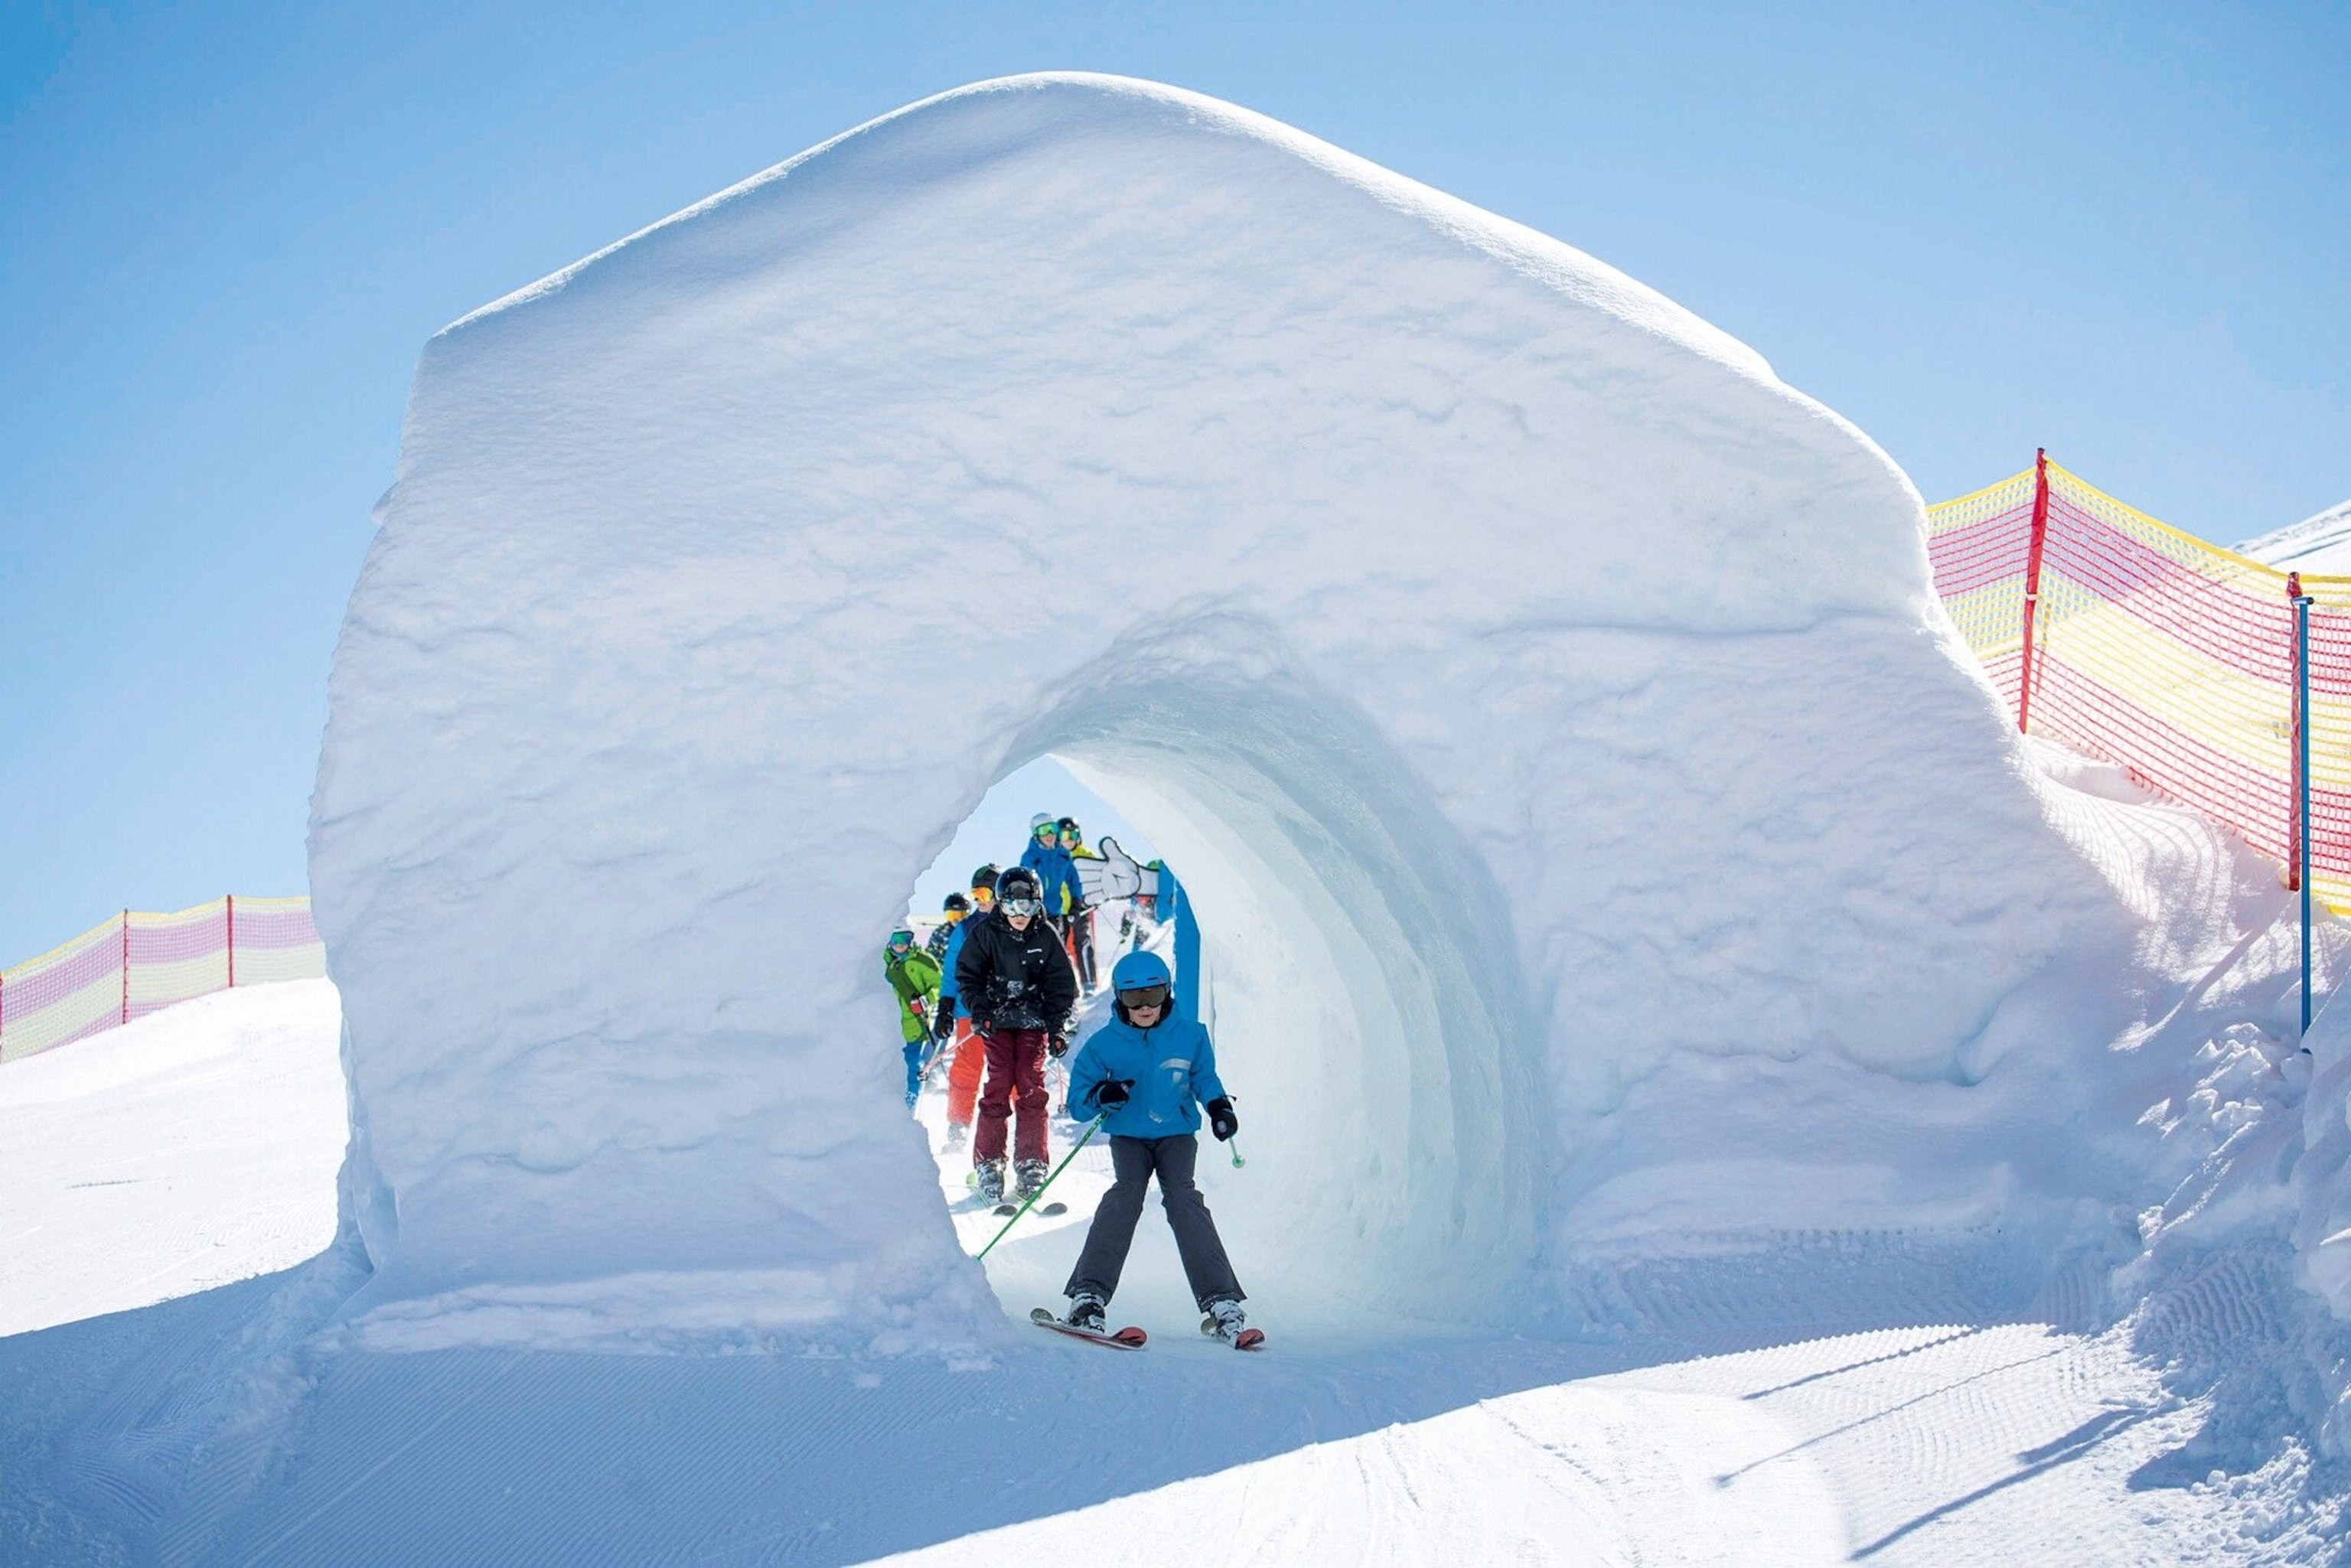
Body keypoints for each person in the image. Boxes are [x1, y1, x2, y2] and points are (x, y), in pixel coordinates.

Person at [1061, 948, 1248, 1342]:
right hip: (1129, 1136)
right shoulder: (1104, 1044)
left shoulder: (1191, 1035)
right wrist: (1102, 1093)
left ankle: (1222, 1301)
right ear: (1119, 999)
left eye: (1154, 995)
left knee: (1183, 1199)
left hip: (1176, 1135)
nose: (1145, 1007)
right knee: (1125, 1196)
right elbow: (1077, 1102)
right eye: (1134, 998)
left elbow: (1204, 1078)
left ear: (1168, 992)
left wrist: (1218, 1107)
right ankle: (1088, 1295)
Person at [954, 865, 1081, 1203]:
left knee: (1030, 1086)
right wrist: (980, 1010)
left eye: (1027, 907)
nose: (1019, 916)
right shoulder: (986, 932)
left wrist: (1056, 1027)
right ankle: (989, 1161)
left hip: (1033, 1022)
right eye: (1011, 907)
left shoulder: (1046, 935)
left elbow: (1061, 985)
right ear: (1000, 905)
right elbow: (968, 974)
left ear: (1037, 905)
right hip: (996, 1021)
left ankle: (1031, 1162)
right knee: (999, 1084)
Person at [881, 926, 941, 1110]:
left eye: (905, 939)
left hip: (914, 1027)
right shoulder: (880, 960)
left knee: (910, 1068)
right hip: (885, 1026)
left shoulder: (923, 961)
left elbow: (939, 986)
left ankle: (909, 1108)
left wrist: (926, 1000)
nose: (900, 945)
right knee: (885, 1069)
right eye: (896, 940)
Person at [1019, 814, 1089, 949]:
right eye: (1044, 830)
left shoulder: (1062, 855)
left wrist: (1076, 902)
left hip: (1056, 912)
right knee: (1040, 950)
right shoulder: (1030, 858)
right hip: (1037, 914)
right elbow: (1026, 886)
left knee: (1058, 950)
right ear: (1036, 834)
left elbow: (1074, 880)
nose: (1050, 834)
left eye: (1053, 828)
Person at [1057, 817, 1101, 993]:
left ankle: (1089, 983)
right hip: (1060, 910)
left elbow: (1098, 879)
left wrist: (1093, 899)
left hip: (1081, 909)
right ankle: (1069, 989)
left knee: (1082, 943)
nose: (1068, 840)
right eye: (1063, 835)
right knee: (1060, 948)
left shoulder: (1086, 856)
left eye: (1071, 835)